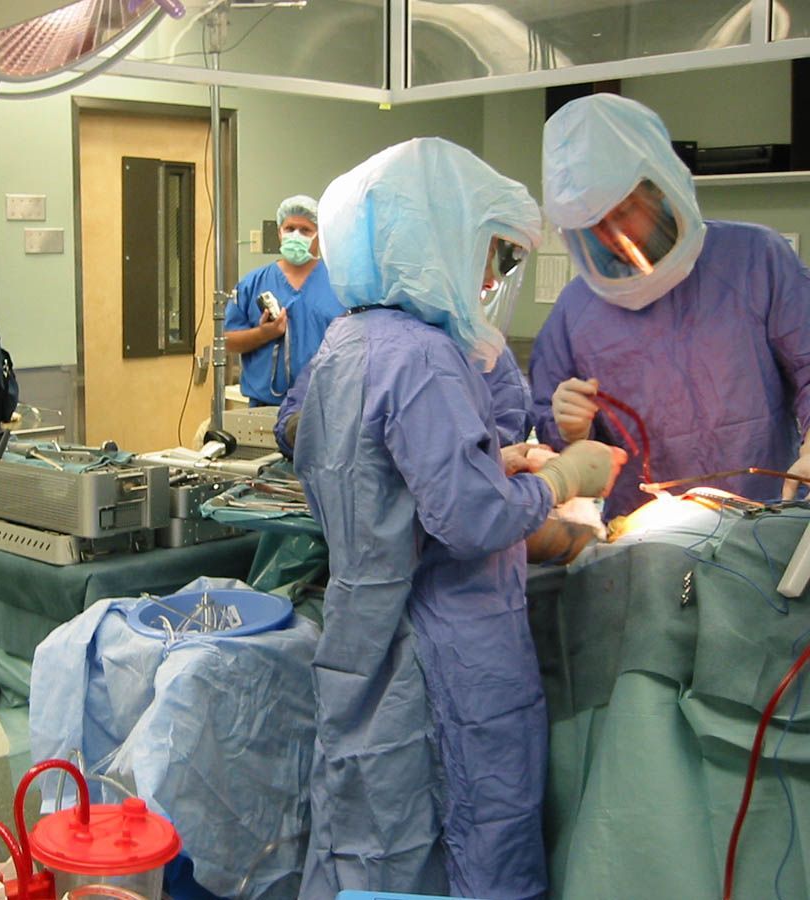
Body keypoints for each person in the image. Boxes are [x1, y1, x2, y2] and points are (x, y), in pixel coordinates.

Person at [289, 137, 626, 900]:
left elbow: (356, 472)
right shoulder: (428, 356)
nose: (487, 276)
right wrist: (566, 474)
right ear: (433, 236)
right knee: (474, 835)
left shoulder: (346, 342)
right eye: (483, 249)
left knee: (372, 836)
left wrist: (486, 464)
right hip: (448, 645)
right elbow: (473, 524)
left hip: (362, 636)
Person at [530, 93, 810, 519]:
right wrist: (570, 429)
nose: (614, 236)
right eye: (594, 226)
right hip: (644, 534)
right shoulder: (575, 310)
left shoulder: (756, 259)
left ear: (659, 188)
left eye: (624, 212)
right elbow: (553, 439)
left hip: (761, 519)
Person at [225, 194, 344, 406]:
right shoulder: (252, 283)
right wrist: (264, 334)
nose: (296, 235)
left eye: (305, 230)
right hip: (266, 406)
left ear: (320, 234)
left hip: (326, 405)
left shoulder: (340, 284)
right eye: (289, 229)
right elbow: (228, 341)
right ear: (279, 232)